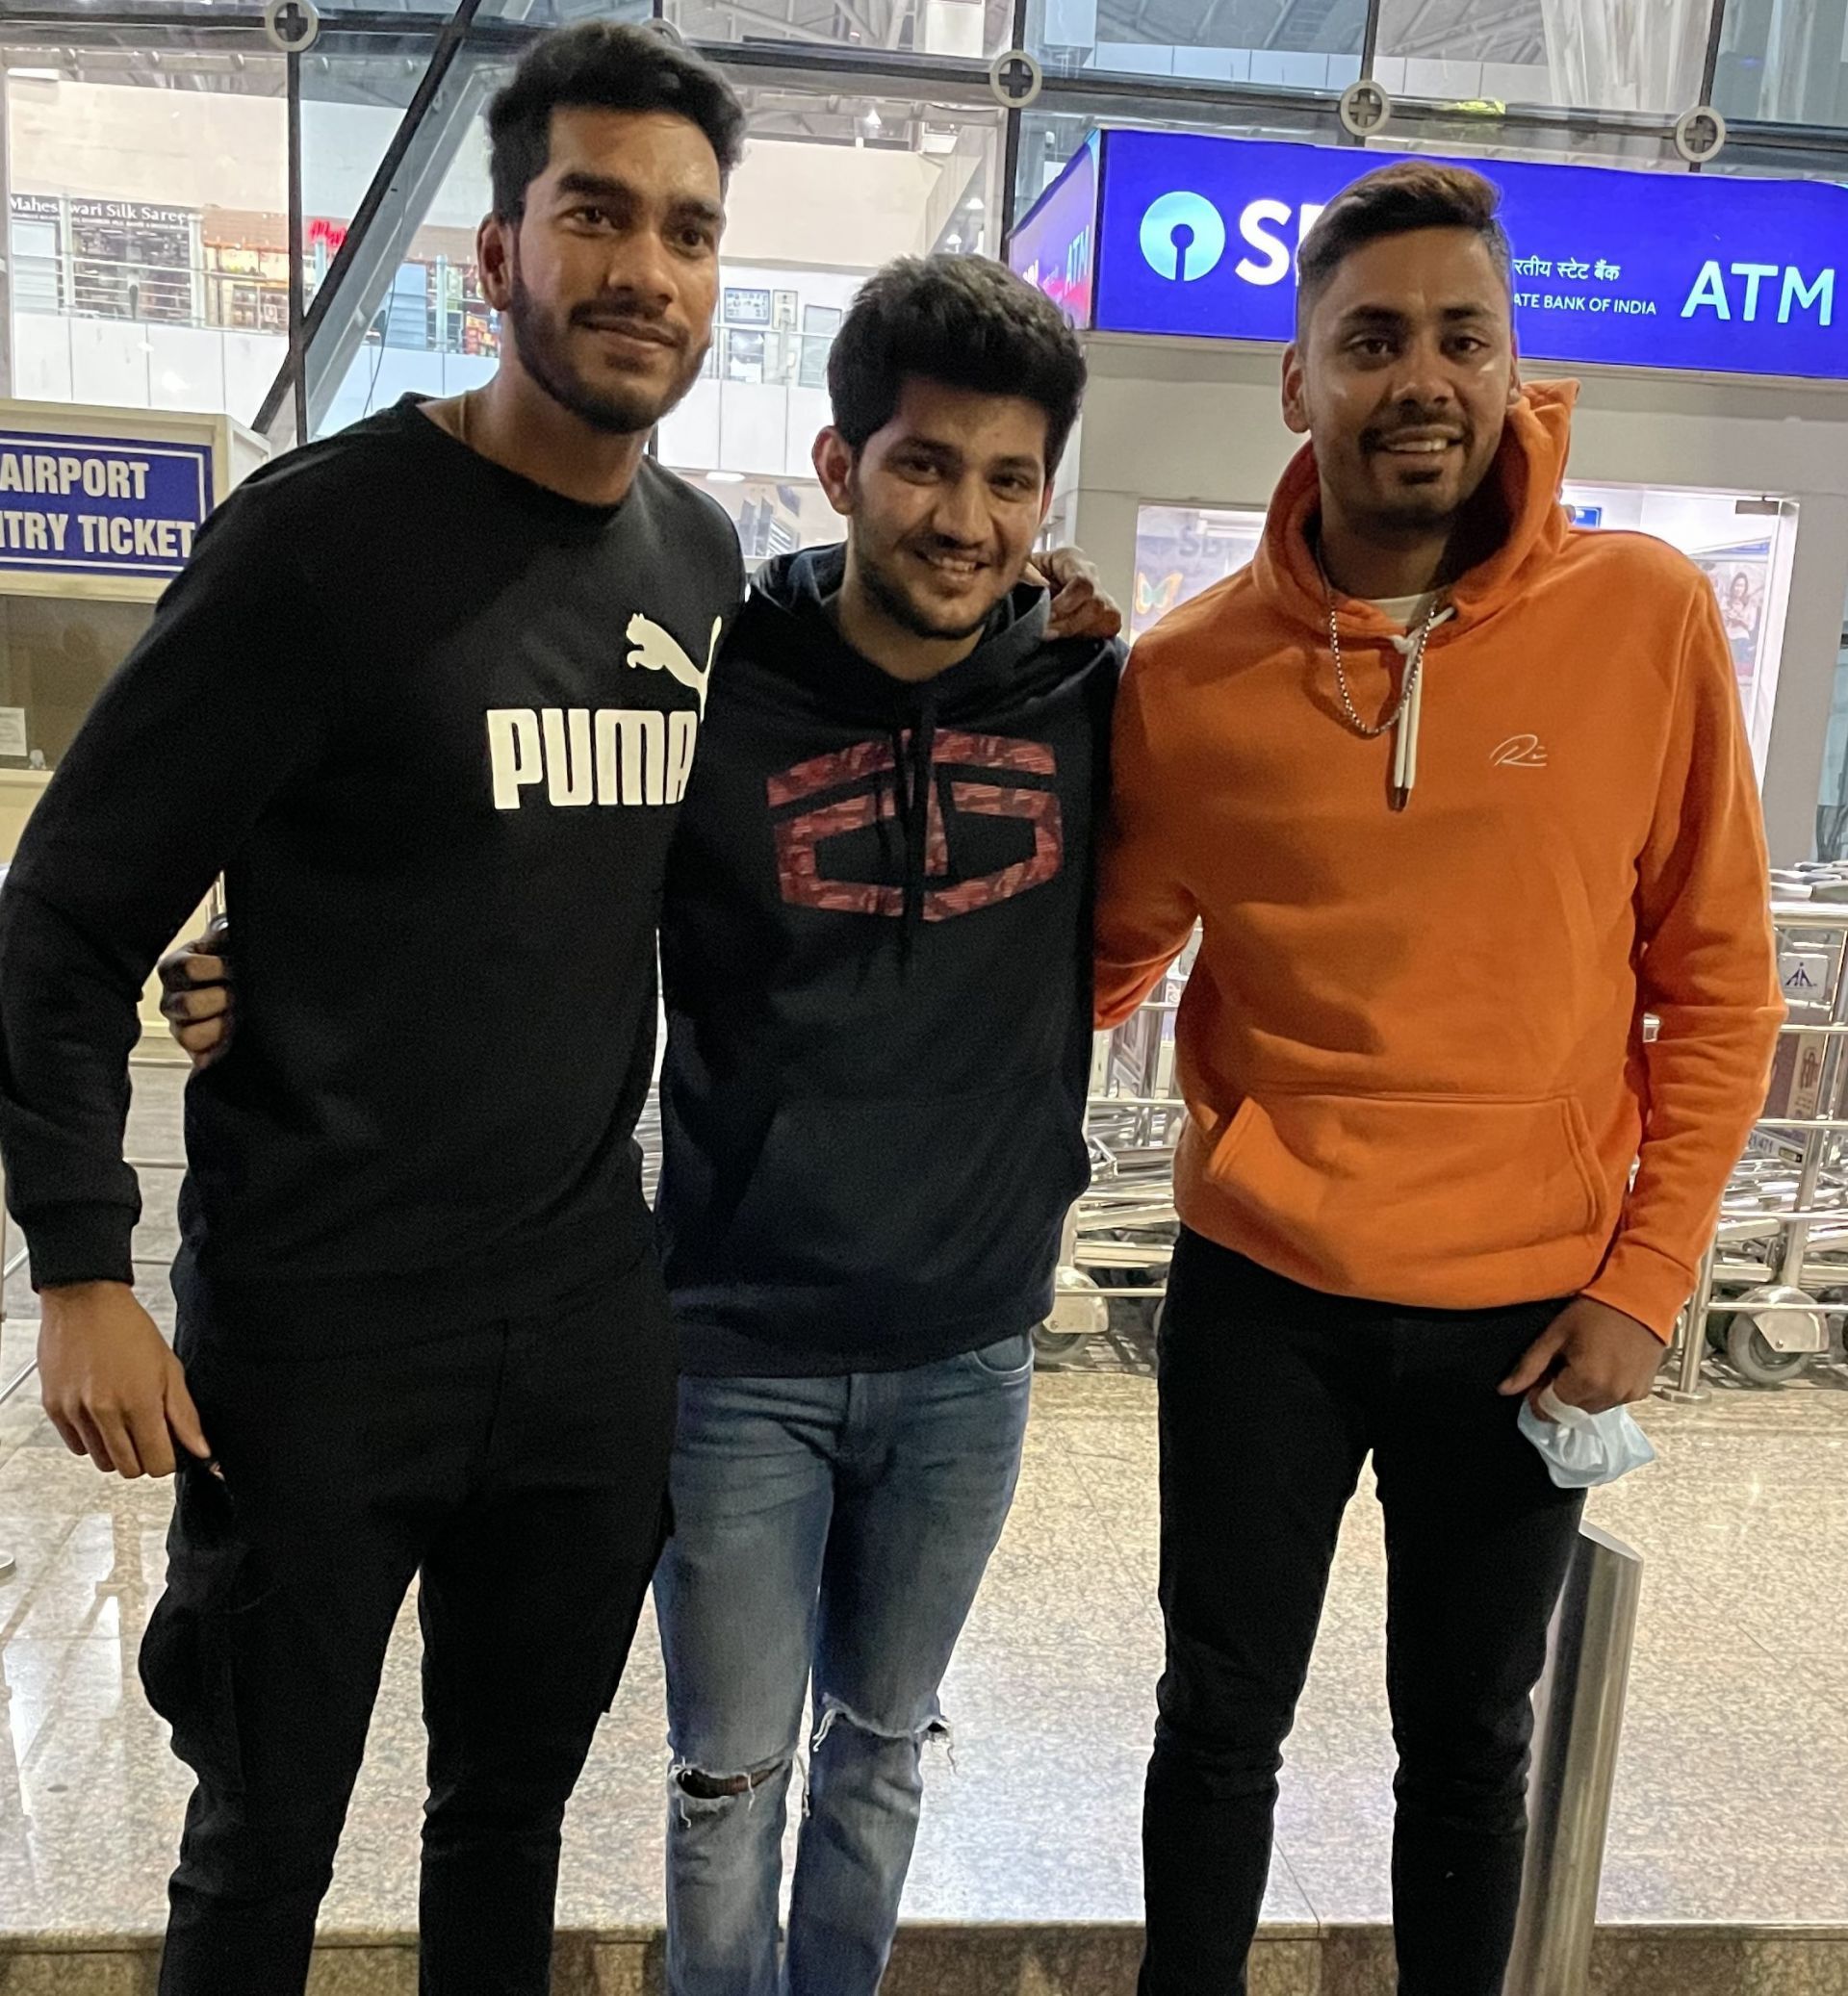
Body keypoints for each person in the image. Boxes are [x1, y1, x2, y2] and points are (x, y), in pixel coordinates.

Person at [163, 253, 1118, 1996]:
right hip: (732, 1337)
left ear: (1048, 496)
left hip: (972, 1347)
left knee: (887, 1743)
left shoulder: (1085, 686)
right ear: (840, 467)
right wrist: (278, 970)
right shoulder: (712, 674)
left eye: (1007, 479)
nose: (964, 516)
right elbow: (519, 871)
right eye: (923, 464)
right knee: (726, 1774)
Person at [0, 25, 750, 1994]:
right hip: (325, 1333)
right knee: (261, 1841)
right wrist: (83, 1262)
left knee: (506, 1823)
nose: (641, 266)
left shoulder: (700, 560)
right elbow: (65, 912)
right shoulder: (317, 541)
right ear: (497, 253)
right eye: (593, 212)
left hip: (585, 1332)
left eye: (685, 228)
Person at [1095, 162, 1781, 1996]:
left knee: (1469, 1749)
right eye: (1373, 338)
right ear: (1297, 379)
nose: (1423, 378)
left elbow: (1717, 988)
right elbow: (1088, 966)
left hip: (1529, 1311)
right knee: (1216, 1719)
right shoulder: (1185, 680)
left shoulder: (1643, 618)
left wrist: (1644, 1284)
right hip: (1266, 1300)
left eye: (1462, 336)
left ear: (1513, 362)